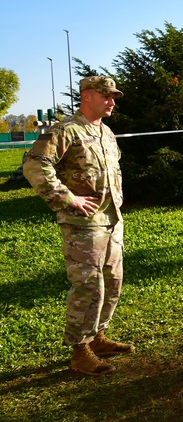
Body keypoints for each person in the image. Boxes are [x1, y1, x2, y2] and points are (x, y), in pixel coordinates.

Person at [23, 76, 133, 377]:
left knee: (112, 281)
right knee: (89, 285)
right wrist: (66, 197)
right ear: (87, 96)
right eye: (105, 96)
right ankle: (80, 351)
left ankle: (98, 337)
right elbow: (34, 164)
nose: (111, 102)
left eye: (113, 97)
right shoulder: (66, 131)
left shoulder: (106, 132)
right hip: (83, 225)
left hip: (111, 220)